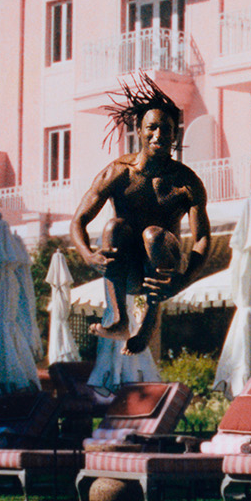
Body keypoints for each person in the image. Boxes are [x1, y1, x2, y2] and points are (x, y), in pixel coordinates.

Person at [70, 74, 211, 355]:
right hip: (128, 269)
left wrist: (183, 281)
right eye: (152, 128)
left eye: (166, 129)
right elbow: (79, 222)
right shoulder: (119, 173)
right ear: (140, 130)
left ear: (175, 134)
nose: (159, 135)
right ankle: (120, 318)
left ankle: (149, 321)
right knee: (114, 227)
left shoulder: (186, 182)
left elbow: (203, 239)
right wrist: (88, 255)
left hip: (163, 270)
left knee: (154, 235)